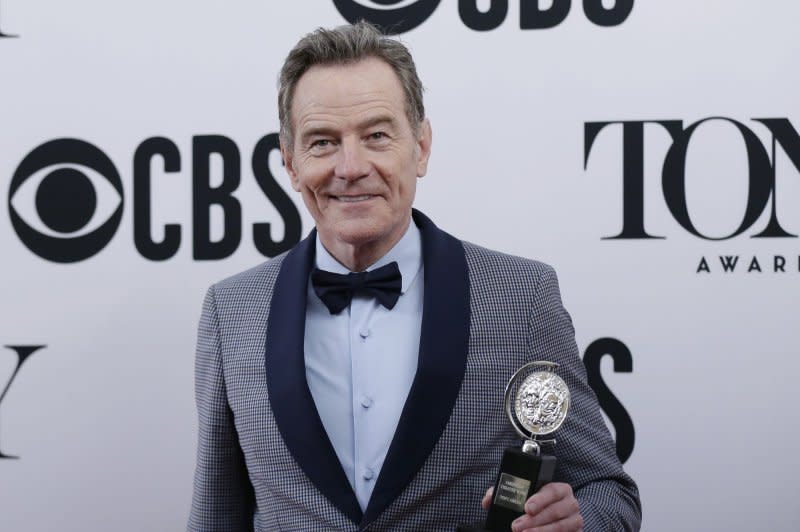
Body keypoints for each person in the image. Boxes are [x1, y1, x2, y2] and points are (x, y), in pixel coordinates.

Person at [188, 21, 641, 532]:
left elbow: (610, 494)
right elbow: (215, 515)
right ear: (290, 163)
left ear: (421, 147)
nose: (351, 166)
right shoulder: (232, 312)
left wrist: (576, 522)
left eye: (377, 135)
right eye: (322, 142)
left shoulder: (521, 298)